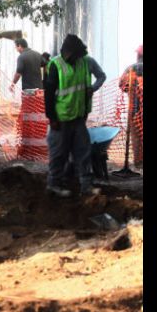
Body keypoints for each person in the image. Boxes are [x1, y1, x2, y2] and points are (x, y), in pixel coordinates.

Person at [44, 34, 106, 198]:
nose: (73, 58)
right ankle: (53, 184)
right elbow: (49, 94)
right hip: (61, 119)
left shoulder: (86, 61)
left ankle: (86, 186)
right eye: (71, 56)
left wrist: (92, 88)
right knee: (58, 154)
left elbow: (101, 76)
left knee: (83, 153)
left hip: (78, 117)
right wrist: (52, 118)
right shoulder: (56, 65)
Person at [119, 44, 143, 166]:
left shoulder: (131, 68)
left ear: (138, 55)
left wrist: (131, 89)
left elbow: (121, 85)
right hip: (137, 108)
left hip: (134, 108)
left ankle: (139, 162)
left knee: (136, 136)